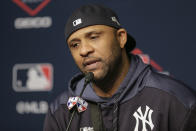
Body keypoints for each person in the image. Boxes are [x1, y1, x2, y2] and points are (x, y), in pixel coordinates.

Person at [43, 4, 196, 131]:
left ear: (121, 38)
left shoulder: (175, 101)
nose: (84, 50)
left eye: (94, 37)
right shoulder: (62, 110)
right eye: (75, 45)